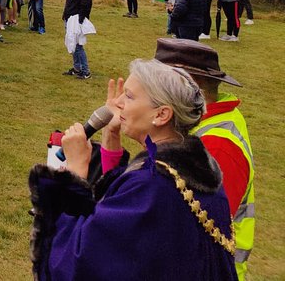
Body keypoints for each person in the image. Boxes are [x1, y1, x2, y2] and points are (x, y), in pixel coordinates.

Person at [30, 59, 236, 280]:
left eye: (128, 96)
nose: (117, 103)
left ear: (161, 115)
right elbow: (119, 210)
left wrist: (74, 174)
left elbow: (82, 261)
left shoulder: (152, 187)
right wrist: (111, 135)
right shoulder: (192, 167)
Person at [154, 38, 254, 279]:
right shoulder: (197, 125)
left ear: (190, 89)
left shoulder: (217, 148)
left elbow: (191, 232)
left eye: (157, 85)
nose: (150, 94)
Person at [62, 0, 92, 79]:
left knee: (78, 46)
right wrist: (65, 16)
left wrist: (80, 21)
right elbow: (68, 3)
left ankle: (85, 71)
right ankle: (77, 68)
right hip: (69, 19)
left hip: (76, 21)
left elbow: (86, 6)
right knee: (72, 44)